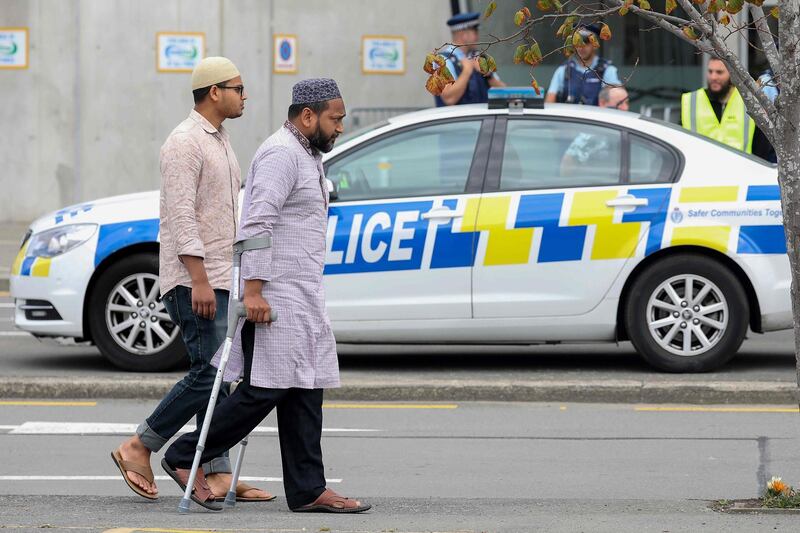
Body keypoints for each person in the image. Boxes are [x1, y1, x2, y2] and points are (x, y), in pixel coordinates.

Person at [162, 78, 371, 514]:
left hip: (300, 295)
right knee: (264, 391)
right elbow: (257, 225)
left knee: (304, 389)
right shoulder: (281, 154)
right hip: (273, 296)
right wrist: (253, 290)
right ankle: (184, 456)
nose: (340, 129)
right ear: (308, 116)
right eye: (335, 120)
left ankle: (308, 489)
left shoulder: (305, 154)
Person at [110, 56, 273, 505]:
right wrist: (199, 279)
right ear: (215, 91)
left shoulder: (219, 140)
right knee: (210, 374)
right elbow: (181, 216)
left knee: (219, 378)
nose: (245, 97)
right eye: (239, 88)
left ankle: (215, 469)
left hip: (220, 276)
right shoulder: (184, 143)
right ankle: (140, 445)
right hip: (193, 280)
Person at [681, 57, 774, 162]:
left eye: (719, 72)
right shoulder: (690, 100)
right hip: (700, 170)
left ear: (731, 74)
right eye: (710, 71)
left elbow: (762, 145)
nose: (713, 77)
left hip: (740, 171)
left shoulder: (749, 101)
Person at [435, 12, 506, 106]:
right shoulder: (442, 60)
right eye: (475, 32)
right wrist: (467, 71)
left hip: (482, 120)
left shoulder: (479, 57)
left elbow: (504, 93)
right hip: (457, 120)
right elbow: (449, 99)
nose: (477, 37)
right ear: (464, 35)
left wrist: (488, 75)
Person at [560, 86, 629, 177]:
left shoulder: (631, 131)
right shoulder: (593, 134)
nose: (625, 108)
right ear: (603, 103)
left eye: (627, 102)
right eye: (620, 103)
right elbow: (567, 163)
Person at [545, 24, 621, 106]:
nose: (581, 46)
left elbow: (617, 100)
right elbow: (550, 102)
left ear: (595, 44)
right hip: (570, 117)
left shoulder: (607, 70)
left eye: (586, 41)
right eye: (577, 41)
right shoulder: (563, 70)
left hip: (595, 118)